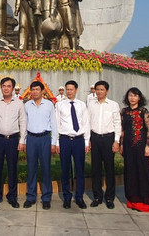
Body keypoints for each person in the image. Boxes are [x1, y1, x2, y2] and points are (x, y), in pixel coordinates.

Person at [0, 77, 26, 209]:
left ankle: (12, 197)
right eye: (3, 86)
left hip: (12, 139)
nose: (6, 88)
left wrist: (22, 140)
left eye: (8, 86)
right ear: (1, 88)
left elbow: (23, 122)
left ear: (13, 88)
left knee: (12, 169)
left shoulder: (19, 103)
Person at [119, 87, 149, 213]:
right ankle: (132, 200)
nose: (132, 98)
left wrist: (147, 146)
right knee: (131, 172)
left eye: (135, 96)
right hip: (129, 147)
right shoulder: (124, 111)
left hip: (141, 146)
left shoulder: (143, 111)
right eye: (130, 95)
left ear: (139, 98)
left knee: (143, 172)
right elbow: (122, 130)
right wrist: (121, 144)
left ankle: (145, 202)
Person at [23, 81, 58, 210]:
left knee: (46, 168)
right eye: (33, 89)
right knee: (31, 169)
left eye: (37, 89)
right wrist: (25, 141)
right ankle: (30, 197)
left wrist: (54, 142)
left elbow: (54, 123)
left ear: (42, 91)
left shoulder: (49, 105)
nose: (35, 92)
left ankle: (46, 197)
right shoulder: (27, 105)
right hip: (31, 139)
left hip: (44, 138)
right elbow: (25, 124)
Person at [56, 81, 90, 209]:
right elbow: (57, 123)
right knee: (65, 169)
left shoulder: (82, 105)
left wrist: (86, 142)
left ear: (76, 90)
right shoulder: (59, 105)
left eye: (71, 89)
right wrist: (57, 142)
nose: (69, 91)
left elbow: (86, 123)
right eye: (67, 89)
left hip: (78, 140)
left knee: (80, 169)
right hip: (64, 139)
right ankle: (67, 197)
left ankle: (79, 196)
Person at [88, 80, 120, 209]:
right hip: (95, 138)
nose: (99, 92)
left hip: (108, 138)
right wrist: (88, 140)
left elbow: (117, 123)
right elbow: (88, 122)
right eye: (97, 89)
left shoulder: (113, 105)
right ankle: (97, 196)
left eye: (102, 89)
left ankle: (109, 197)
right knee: (95, 169)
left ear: (107, 91)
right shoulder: (91, 104)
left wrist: (116, 141)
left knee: (109, 168)